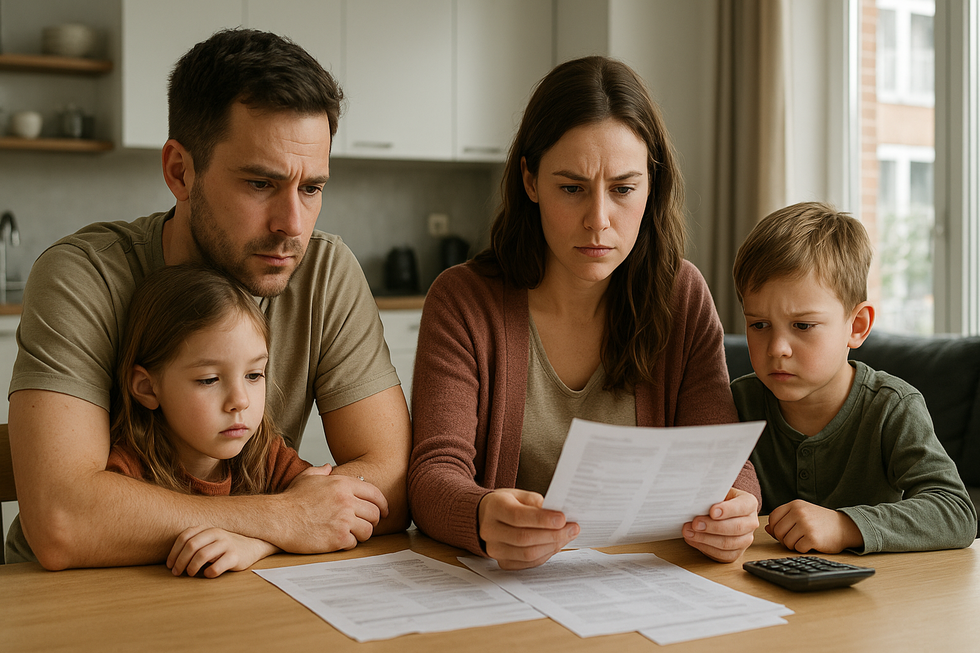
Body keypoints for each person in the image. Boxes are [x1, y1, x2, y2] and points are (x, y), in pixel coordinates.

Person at [6, 29, 411, 569]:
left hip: (234, 584)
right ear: (180, 171)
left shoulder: (326, 271)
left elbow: (394, 480)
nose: (293, 225)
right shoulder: (84, 275)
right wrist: (283, 518)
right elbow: (65, 522)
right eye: (261, 184)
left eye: (312, 188)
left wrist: (263, 534)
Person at [408, 56, 762, 571]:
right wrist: (482, 515)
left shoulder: (681, 294)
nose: (599, 221)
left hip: (642, 584)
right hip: (499, 589)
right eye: (571, 188)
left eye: (623, 189)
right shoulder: (464, 300)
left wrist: (738, 507)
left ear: (651, 186)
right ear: (530, 181)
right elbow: (433, 475)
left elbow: (721, 465)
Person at [731, 201, 977, 553]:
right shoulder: (736, 403)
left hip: (872, 597)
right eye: (759, 325)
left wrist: (846, 526)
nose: (777, 348)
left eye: (803, 325)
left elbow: (956, 512)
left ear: (857, 326)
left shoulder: (893, 408)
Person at [110, 265, 335, 577]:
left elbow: (323, 518)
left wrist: (257, 546)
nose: (240, 401)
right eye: (209, 379)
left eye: (255, 375)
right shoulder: (126, 472)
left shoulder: (265, 456)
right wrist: (275, 531)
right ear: (148, 387)